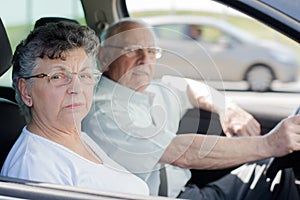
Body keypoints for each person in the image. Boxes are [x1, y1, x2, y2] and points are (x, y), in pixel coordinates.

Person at [82, 18, 300, 199]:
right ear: (104, 56)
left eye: (151, 51)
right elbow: (181, 153)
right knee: (275, 175)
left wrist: (227, 108)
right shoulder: (103, 113)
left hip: (189, 193)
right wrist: (269, 144)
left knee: (272, 170)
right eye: (132, 50)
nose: (145, 60)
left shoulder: (151, 91)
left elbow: (189, 87)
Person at [0, 21, 149, 196]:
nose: (76, 88)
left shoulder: (79, 138)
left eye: (85, 75)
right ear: (26, 91)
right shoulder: (34, 168)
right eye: (57, 76)